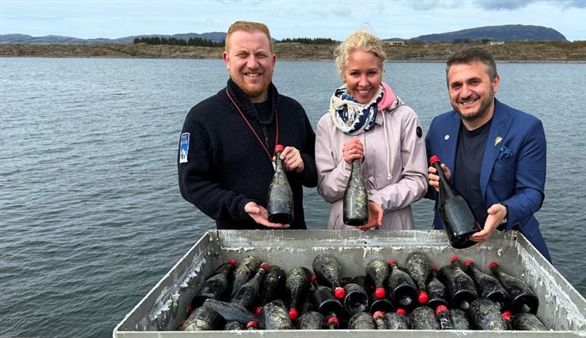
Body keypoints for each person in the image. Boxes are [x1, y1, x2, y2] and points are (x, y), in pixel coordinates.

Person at [178, 21, 317, 230]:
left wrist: (303, 165)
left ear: (273, 61)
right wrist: (239, 206)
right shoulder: (201, 118)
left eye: (261, 55)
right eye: (242, 55)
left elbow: (318, 172)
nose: (252, 64)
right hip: (237, 244)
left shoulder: (293, 111)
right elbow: (191, 184)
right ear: (227, 60)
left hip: (296, 240)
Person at [425, 46, 551, 262]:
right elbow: (426, 187)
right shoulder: (439, 126)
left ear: (495, 83)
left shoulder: (526, 128)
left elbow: (532, 192)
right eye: (456, 85)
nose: (465, 93)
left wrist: (505, 211)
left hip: (510, 241)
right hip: (453, 244)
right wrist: (435, 181)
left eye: (474, 82)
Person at [315, 29, 429, 231]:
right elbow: (325, 191)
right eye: (355, 73)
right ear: (343, 73)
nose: (364, 82)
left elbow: (418, 181)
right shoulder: (327, 123)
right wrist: (347, 167)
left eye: (372, 73)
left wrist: (378, 201)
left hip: (394, 229)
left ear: (382, 71)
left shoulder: (405, 117)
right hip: (344, 231)